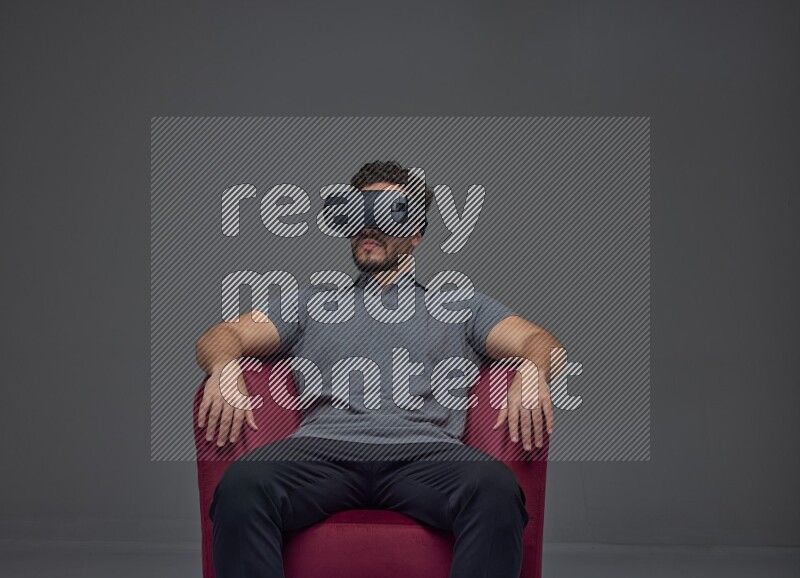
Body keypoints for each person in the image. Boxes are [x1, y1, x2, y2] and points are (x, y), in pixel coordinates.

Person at [195, 160, 562, 578]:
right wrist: (224, 365)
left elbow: (539, 341)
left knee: (495, 488)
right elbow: (223, 335)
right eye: (359, 211)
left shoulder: (461, 306)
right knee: (242, 485)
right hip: (324, 450)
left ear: (416, 232)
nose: (369, 225)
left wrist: (532, 371)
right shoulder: (310, 303)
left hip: (424, 454)